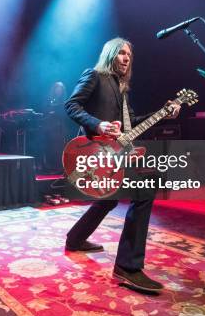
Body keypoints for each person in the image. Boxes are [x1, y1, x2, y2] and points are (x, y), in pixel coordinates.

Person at [64, 37, 180, 293]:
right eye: (122, 54)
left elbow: (131, 124)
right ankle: (128, 267)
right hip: (95, 151)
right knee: (145, 192)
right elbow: (71, 105)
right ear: (111, 55)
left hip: (114, 154)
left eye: (129, 54)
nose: (127, 58)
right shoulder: (95, 76)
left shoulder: (122, 89)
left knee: (108, 199)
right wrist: (98, 124)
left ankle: (75, 238)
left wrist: (162, 113)